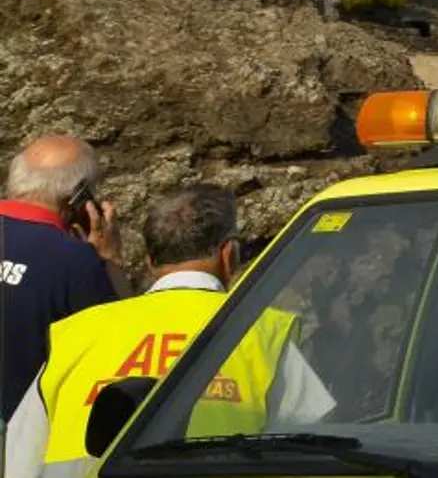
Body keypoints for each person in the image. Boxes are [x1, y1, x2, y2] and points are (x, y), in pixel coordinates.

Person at [4, 186, 335, 478]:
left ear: (150, 261)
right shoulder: (258, 330)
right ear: (229, 253)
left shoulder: (78, 334)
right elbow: (318, 450)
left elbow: (21, 460)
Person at [0, 136, 128, 426]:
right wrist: (110, 260)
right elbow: (119, 351)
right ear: (80, 197)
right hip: (21, 445)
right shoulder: (76, 263)